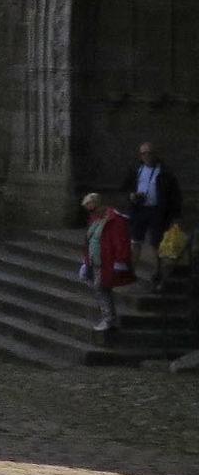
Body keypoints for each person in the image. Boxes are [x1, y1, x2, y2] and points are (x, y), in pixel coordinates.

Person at [78, 192, 134, 338]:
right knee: (99, 288)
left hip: (107, 261)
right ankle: (109, 317)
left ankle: (108, 319)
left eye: (91, 206)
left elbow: (120, 241)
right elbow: (90, 239)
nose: (90, 210)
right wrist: (86, 261)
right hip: (94, 260)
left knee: (101, 288)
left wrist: (120, 261)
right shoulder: (95, 218)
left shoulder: (114, 219)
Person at [126, 142, 182, 286]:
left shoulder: (164, 172)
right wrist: (131, 196)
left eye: (149, 153)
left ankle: (157, 273)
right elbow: (125, 187)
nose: (146, 156)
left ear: (155, 154)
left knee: (155, 243)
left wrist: (176, 216)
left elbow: (175, 195)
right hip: (139, 209)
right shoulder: (136, 169)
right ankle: (130, 273)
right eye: (143, 153)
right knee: (135, 242)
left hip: (157, 211)